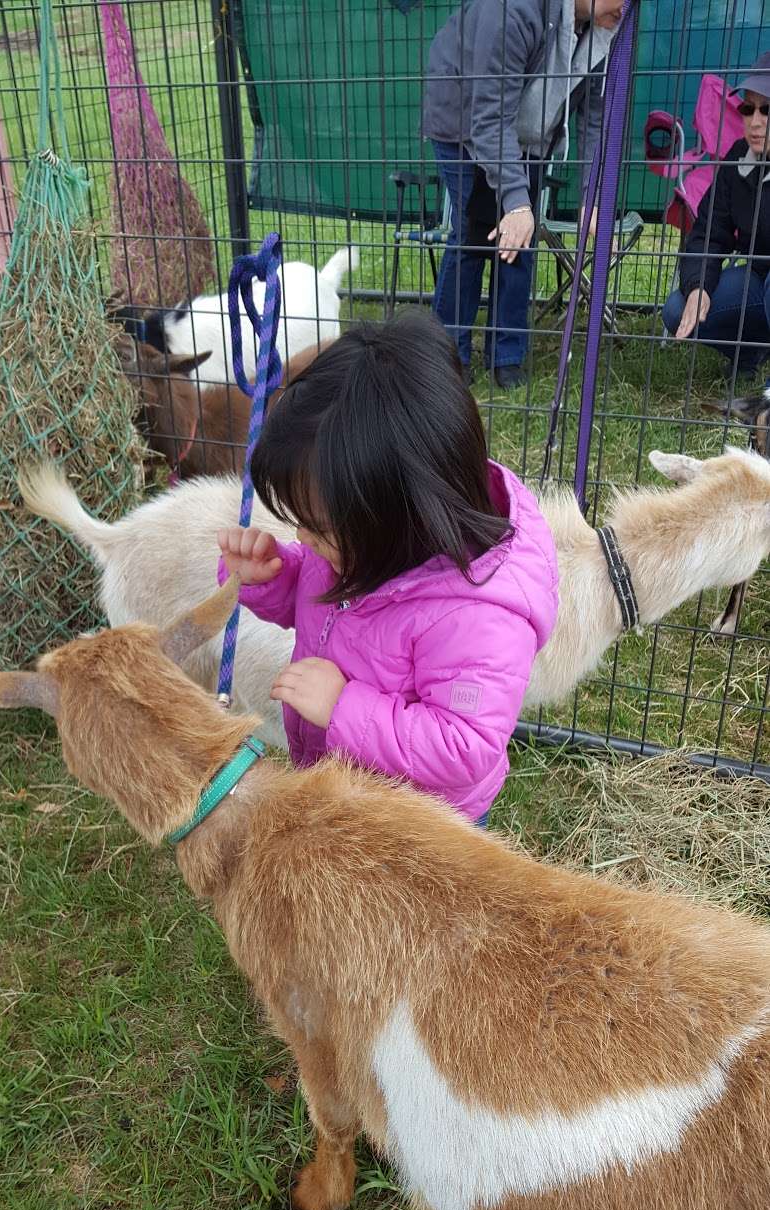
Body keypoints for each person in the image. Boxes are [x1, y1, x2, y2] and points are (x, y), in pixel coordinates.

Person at [216, 313, 558, 827]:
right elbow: (331, 610)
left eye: (318, 530)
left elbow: (465, 746)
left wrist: (342, 709)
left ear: (400, 518)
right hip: (345, 786)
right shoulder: (366, 546)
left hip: (419, 829)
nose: (304, 540)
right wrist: (274, 579)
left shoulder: (476, 615)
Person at [422, 0, 623, 389]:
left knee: (520, 241)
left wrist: (592, 198)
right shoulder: (514, 10)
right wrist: (515, 201)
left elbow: (597, 120)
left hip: (529, 134)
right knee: (473, 234)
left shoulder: (608, 30)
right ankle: (447, 356)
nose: (632, 8)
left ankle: (507, 356)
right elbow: (489, 116)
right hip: (464, 125)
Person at [663, 52, 770, 380]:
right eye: (747, 108)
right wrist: (699, 286)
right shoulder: (737, 159)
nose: (754, 120)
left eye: (767, 109)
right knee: (676, 310)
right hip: (758, 276)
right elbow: (708, 231)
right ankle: (751, 351)